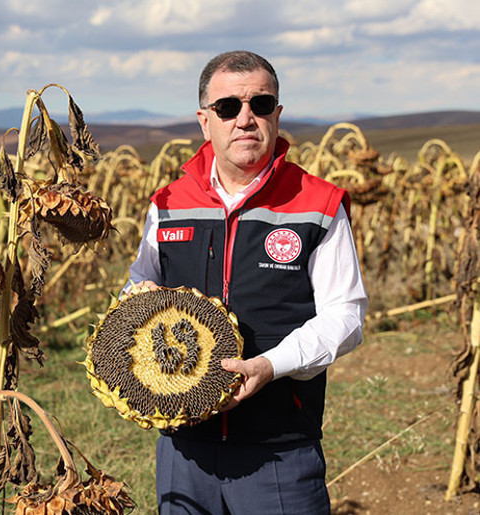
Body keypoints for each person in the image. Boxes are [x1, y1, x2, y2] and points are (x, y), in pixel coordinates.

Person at [123, 50, 368, 514]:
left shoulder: (318, 204)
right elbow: (139, 285)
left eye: (260, 104)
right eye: (229, 108)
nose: (245, 119)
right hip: (182, 449)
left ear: (277, 115)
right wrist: (136, 302)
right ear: (204, 121)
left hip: (277, 449)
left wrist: (270, 366)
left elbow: (346, 315)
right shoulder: (168, 203)